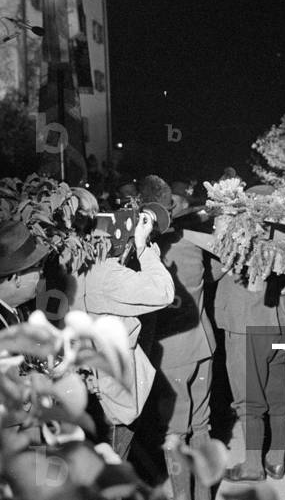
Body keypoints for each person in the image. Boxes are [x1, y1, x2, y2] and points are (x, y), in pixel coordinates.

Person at [213, 186, 285, 482]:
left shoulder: (241, 235)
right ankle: (277, 460)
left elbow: (218, 267)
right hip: (283, 324)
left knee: (248, 401)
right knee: (282, 398)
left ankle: (254, 466)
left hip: (247, 326)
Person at [71, 195, 175, 460]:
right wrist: (142, 247)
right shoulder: (107, 275)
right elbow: (164, 292)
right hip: (111, 393)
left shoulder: (70, 265)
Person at [139, 176, 216, 500]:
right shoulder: (191, 239)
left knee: (174, 432)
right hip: (203, 343)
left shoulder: (142, 251)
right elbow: (222, 267)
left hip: (170, 353)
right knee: (202, 425)